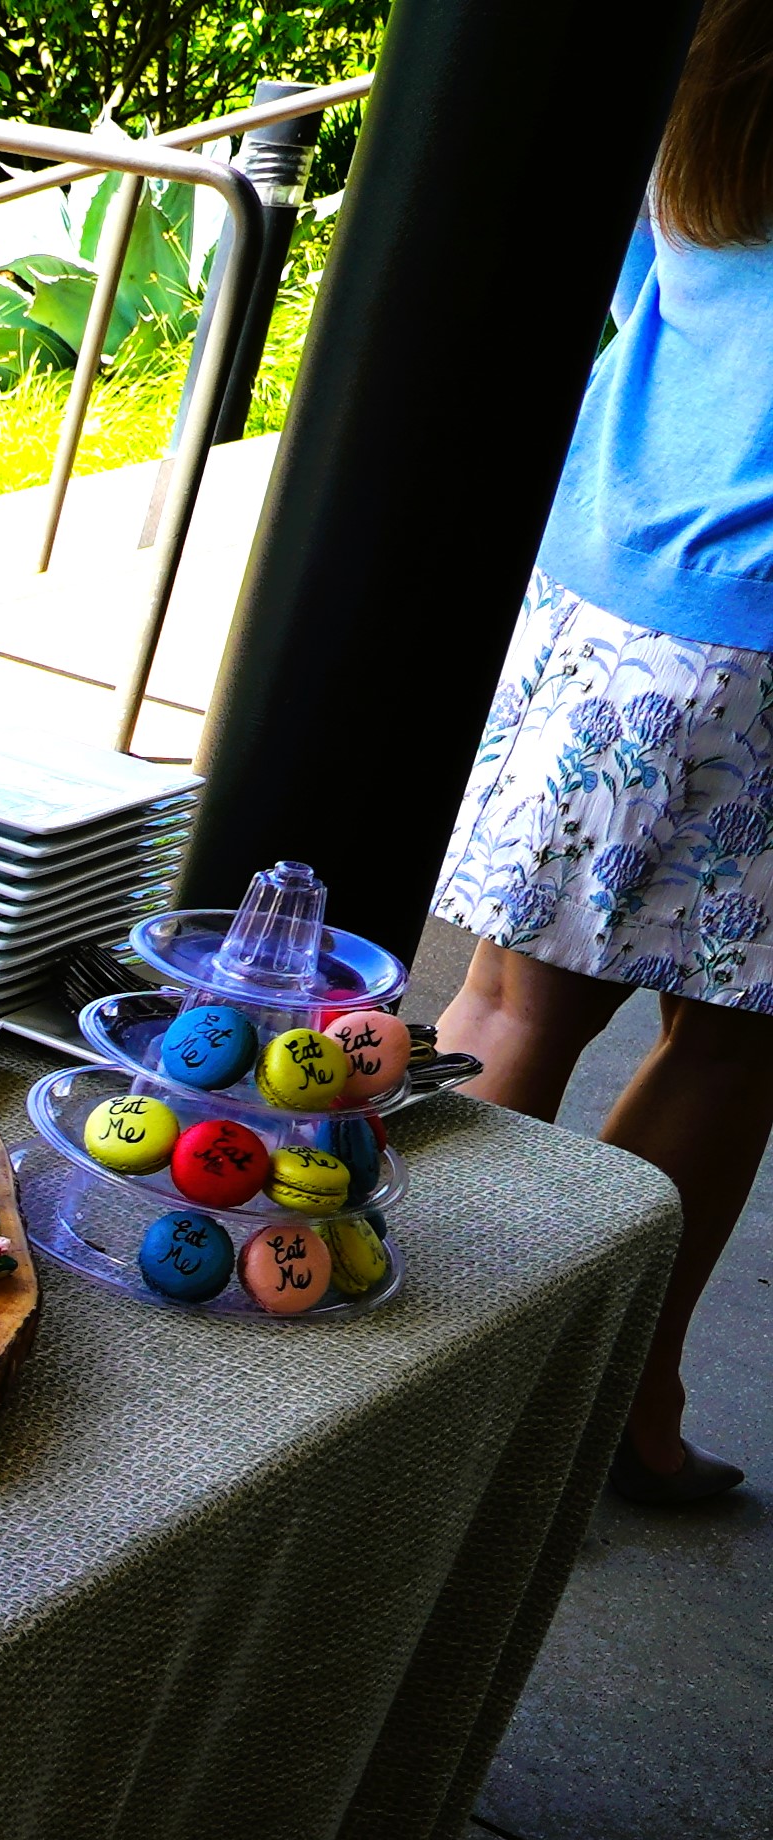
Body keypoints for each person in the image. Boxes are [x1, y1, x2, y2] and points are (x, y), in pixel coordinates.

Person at [431, 0, 773, 1508]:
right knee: (736, 1048)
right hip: (762, 635)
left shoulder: (694, 75)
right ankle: (620, 1391)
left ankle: (399, 1395)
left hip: (602, 588)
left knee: (505, 1002)